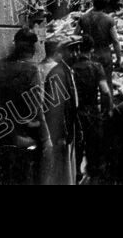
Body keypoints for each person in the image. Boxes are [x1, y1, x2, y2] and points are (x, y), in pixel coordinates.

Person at [0, 29, 51, 185]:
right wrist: (46, 137)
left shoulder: (0, 65)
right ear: (33, 49)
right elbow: (37, 107)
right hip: (17, 135)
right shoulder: (32, 70)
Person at [73, 35, 112, 183]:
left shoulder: (71, 68)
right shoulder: (96, 67)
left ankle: (77, 175)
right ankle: (94, 179)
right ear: (92, 49)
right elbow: (105, 91)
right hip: (93, 112)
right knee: (94, 148)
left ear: (78, 49)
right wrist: (106, 110)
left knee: (78, 147)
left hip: (77, 112)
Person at [44, 39, 79, 185]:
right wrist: (62, 134)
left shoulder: (65, 71)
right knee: (60, 172)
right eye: (71, 51)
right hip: (60, 134)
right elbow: (56, 108)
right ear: (62, 53)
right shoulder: (58, 73)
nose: (75, 55)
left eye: (76, 51)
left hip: (66, 131)